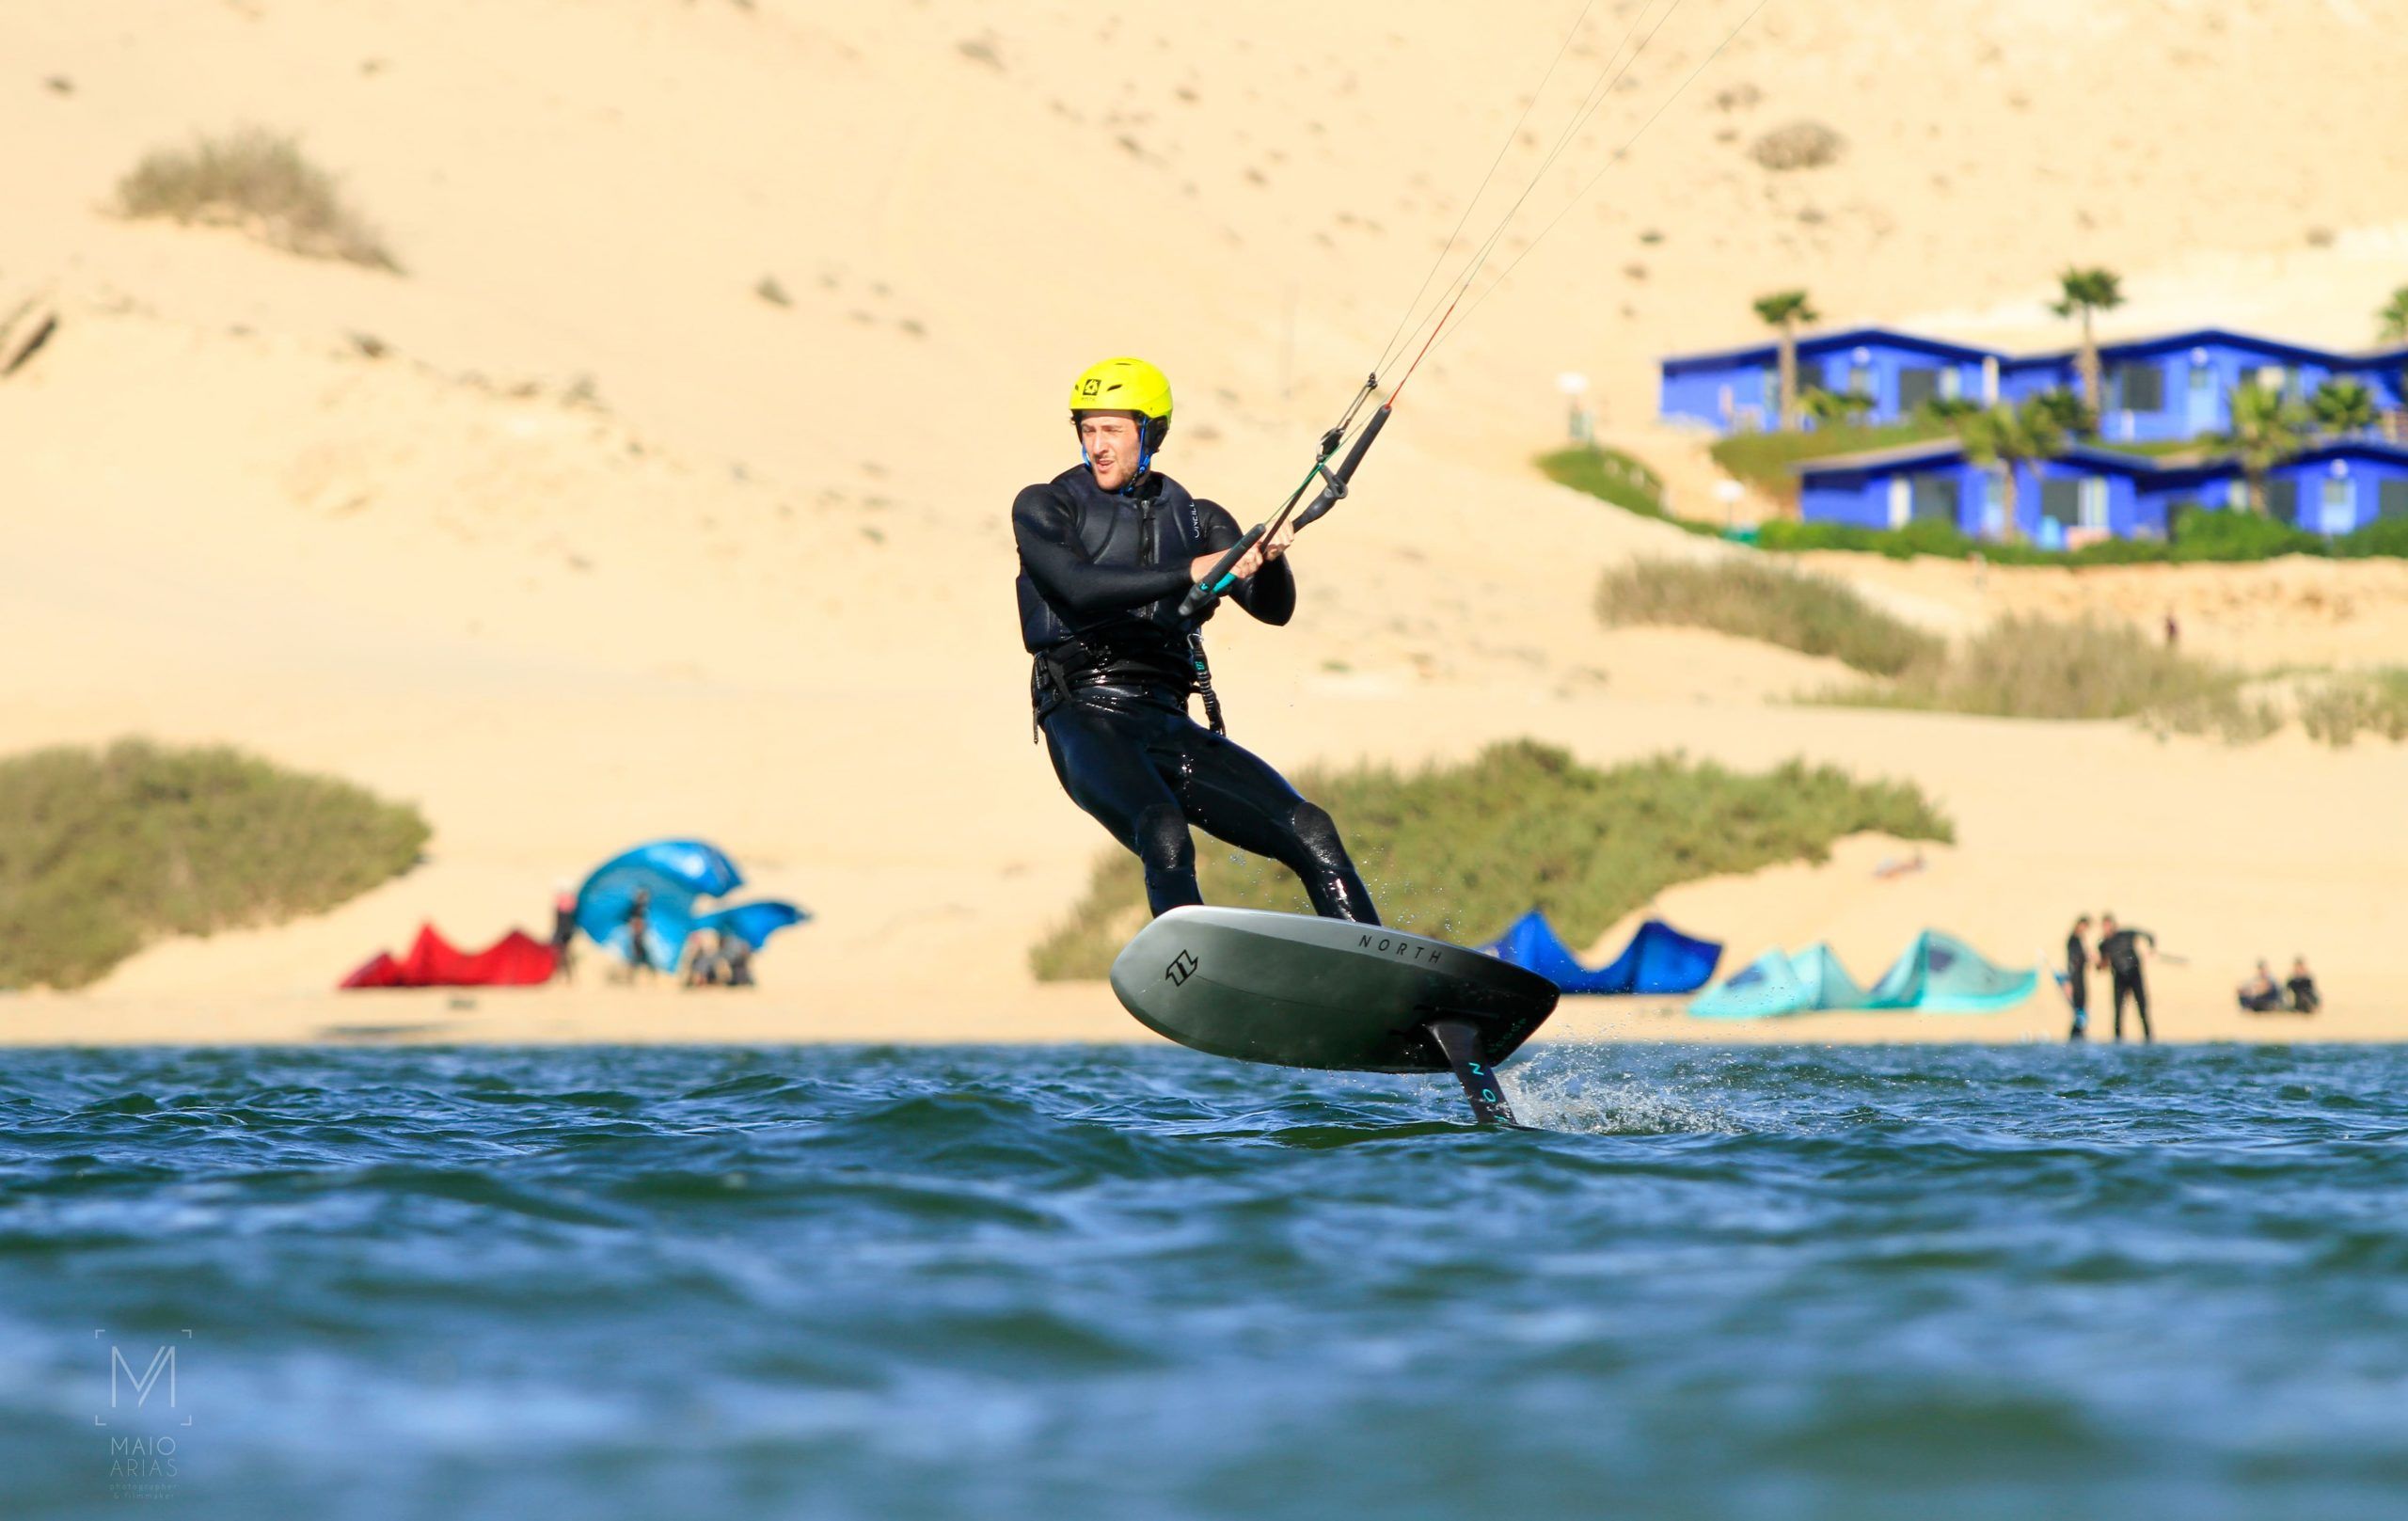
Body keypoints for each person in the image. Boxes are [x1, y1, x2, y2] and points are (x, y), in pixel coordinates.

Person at [1014, 356, 1379, 924]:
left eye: (1113, 430)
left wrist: (1269, 557)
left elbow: (1273, 610)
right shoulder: (1045, 505)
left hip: (1167, 719)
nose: (1098, 446)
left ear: (1151, 433)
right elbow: (1078, 588)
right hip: (1085, 715)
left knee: (1311, 829)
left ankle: (1370, 954)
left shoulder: (1197, 520)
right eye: (1088, 430)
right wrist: (1195, 569)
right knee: (1163, 831)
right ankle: (1188, 956)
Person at [2095, 913, 2157, 1042]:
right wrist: (2098, 963)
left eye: (2108, 925)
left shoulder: (2126, 934)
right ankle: (2118, 1040)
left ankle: (2148, 1039)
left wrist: (2150, 948)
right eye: (2104, 926)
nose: (2106, 929)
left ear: (2113, 925)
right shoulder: (2103, 944)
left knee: (2142, 1008)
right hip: (2119, 978)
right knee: (2118, 1010)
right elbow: (2102, 966)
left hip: (2134, 975)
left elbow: (2149, 936)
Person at [2062, 915, 2092, 1040]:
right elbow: (2072, 961)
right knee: (2078, 1008)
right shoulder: (2073, 940)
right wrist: (2069, 981)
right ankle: (2075, 1036)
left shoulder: (2079, 939)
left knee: (2081, 1008)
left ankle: (2079, 1035)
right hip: (2075, 978)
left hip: (2079, 976)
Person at [548, 879, 578, 986]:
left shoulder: (567, 902)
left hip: (564, 933)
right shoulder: (570, 902)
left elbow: (564, 922)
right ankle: (565, 978)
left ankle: (567, 978)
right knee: (562, 955)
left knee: (563, 955)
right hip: (564, 932)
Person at [625, 887, 655, 981]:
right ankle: (631, 977)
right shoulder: (636, 908)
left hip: (641, 935)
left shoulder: (644, 907)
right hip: (637, 935)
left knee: (642, 955)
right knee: (637, 955)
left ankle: (651, 976)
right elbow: (633, 921)